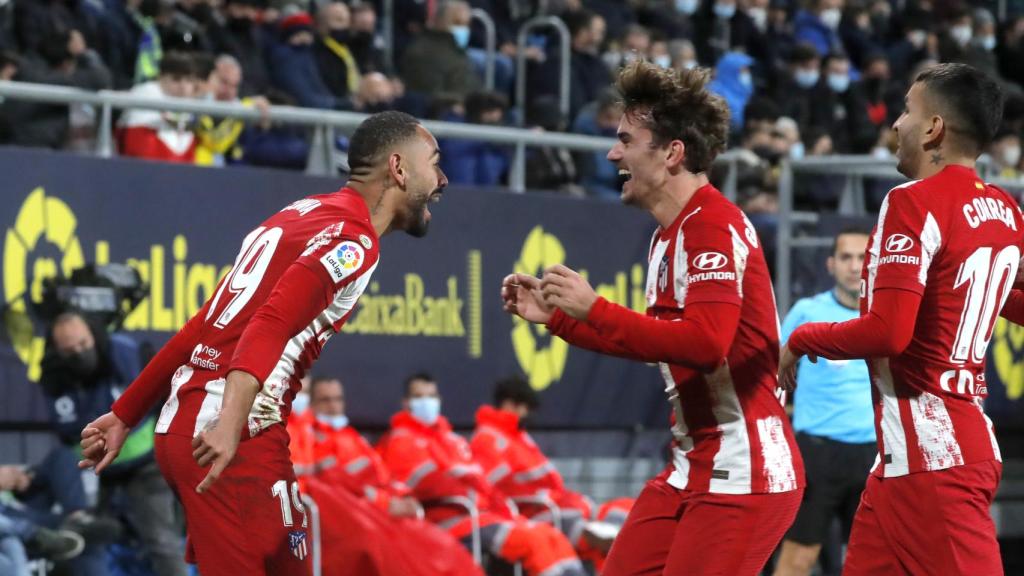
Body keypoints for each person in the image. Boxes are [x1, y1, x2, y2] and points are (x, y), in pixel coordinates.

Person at [78, 111, 449, 576]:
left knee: (291, 562)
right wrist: (230, 423)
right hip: (230, 433)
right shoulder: (354, 242)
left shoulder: (302, 212)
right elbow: (270, 323)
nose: (443, 178)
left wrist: (125, 413)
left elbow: (204, 325)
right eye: (433, 162)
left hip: (203, 425)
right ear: (398, 169)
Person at [502, 60, 804, 575]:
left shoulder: (711, 224)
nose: (612, 153)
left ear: (672, 153)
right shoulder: (668, 235)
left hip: (744, 470)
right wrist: (561, 321)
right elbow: (660, 343)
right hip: (694, 464)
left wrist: (594, 307)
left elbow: (706, 345)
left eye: (625, 140)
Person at [780, 63, 1019, 575]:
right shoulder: (1005, 210)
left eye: (907, 111)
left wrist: (804, 337)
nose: (895, 125)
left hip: (935, 460)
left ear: (934, 128)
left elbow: (887, 332)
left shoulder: (911, 201)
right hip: (907, 462)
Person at [378, 373, 587, 576]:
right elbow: (427, 484)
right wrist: (472, 489)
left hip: (483, 514)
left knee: (550, 535)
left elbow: (481, 482)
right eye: (419, 396)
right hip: (452, 519)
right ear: (406, 402)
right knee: (535, 540)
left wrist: (500, 505)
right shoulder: (401, 441)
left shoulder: (453, 440)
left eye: (431, 396)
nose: (427, 402)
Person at [773, 229, 876, 576]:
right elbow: (771, 371)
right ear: (831, 264)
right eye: (846, 257)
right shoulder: (807, 311)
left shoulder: (885, 318)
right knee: (797, 559)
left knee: (873, 562)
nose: (854, 266)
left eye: (862, 258)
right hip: (817, 453)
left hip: (874, 455)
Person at [470, 376, 633, 571]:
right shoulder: (487, 439)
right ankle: (603, 536)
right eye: (525, 408)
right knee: (601, 540)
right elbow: (493, 490)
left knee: (627, 509)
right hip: (535, 512)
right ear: (509, 404)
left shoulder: (519, 436)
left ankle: (610, 537)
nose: (527, 414)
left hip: (560, 505)